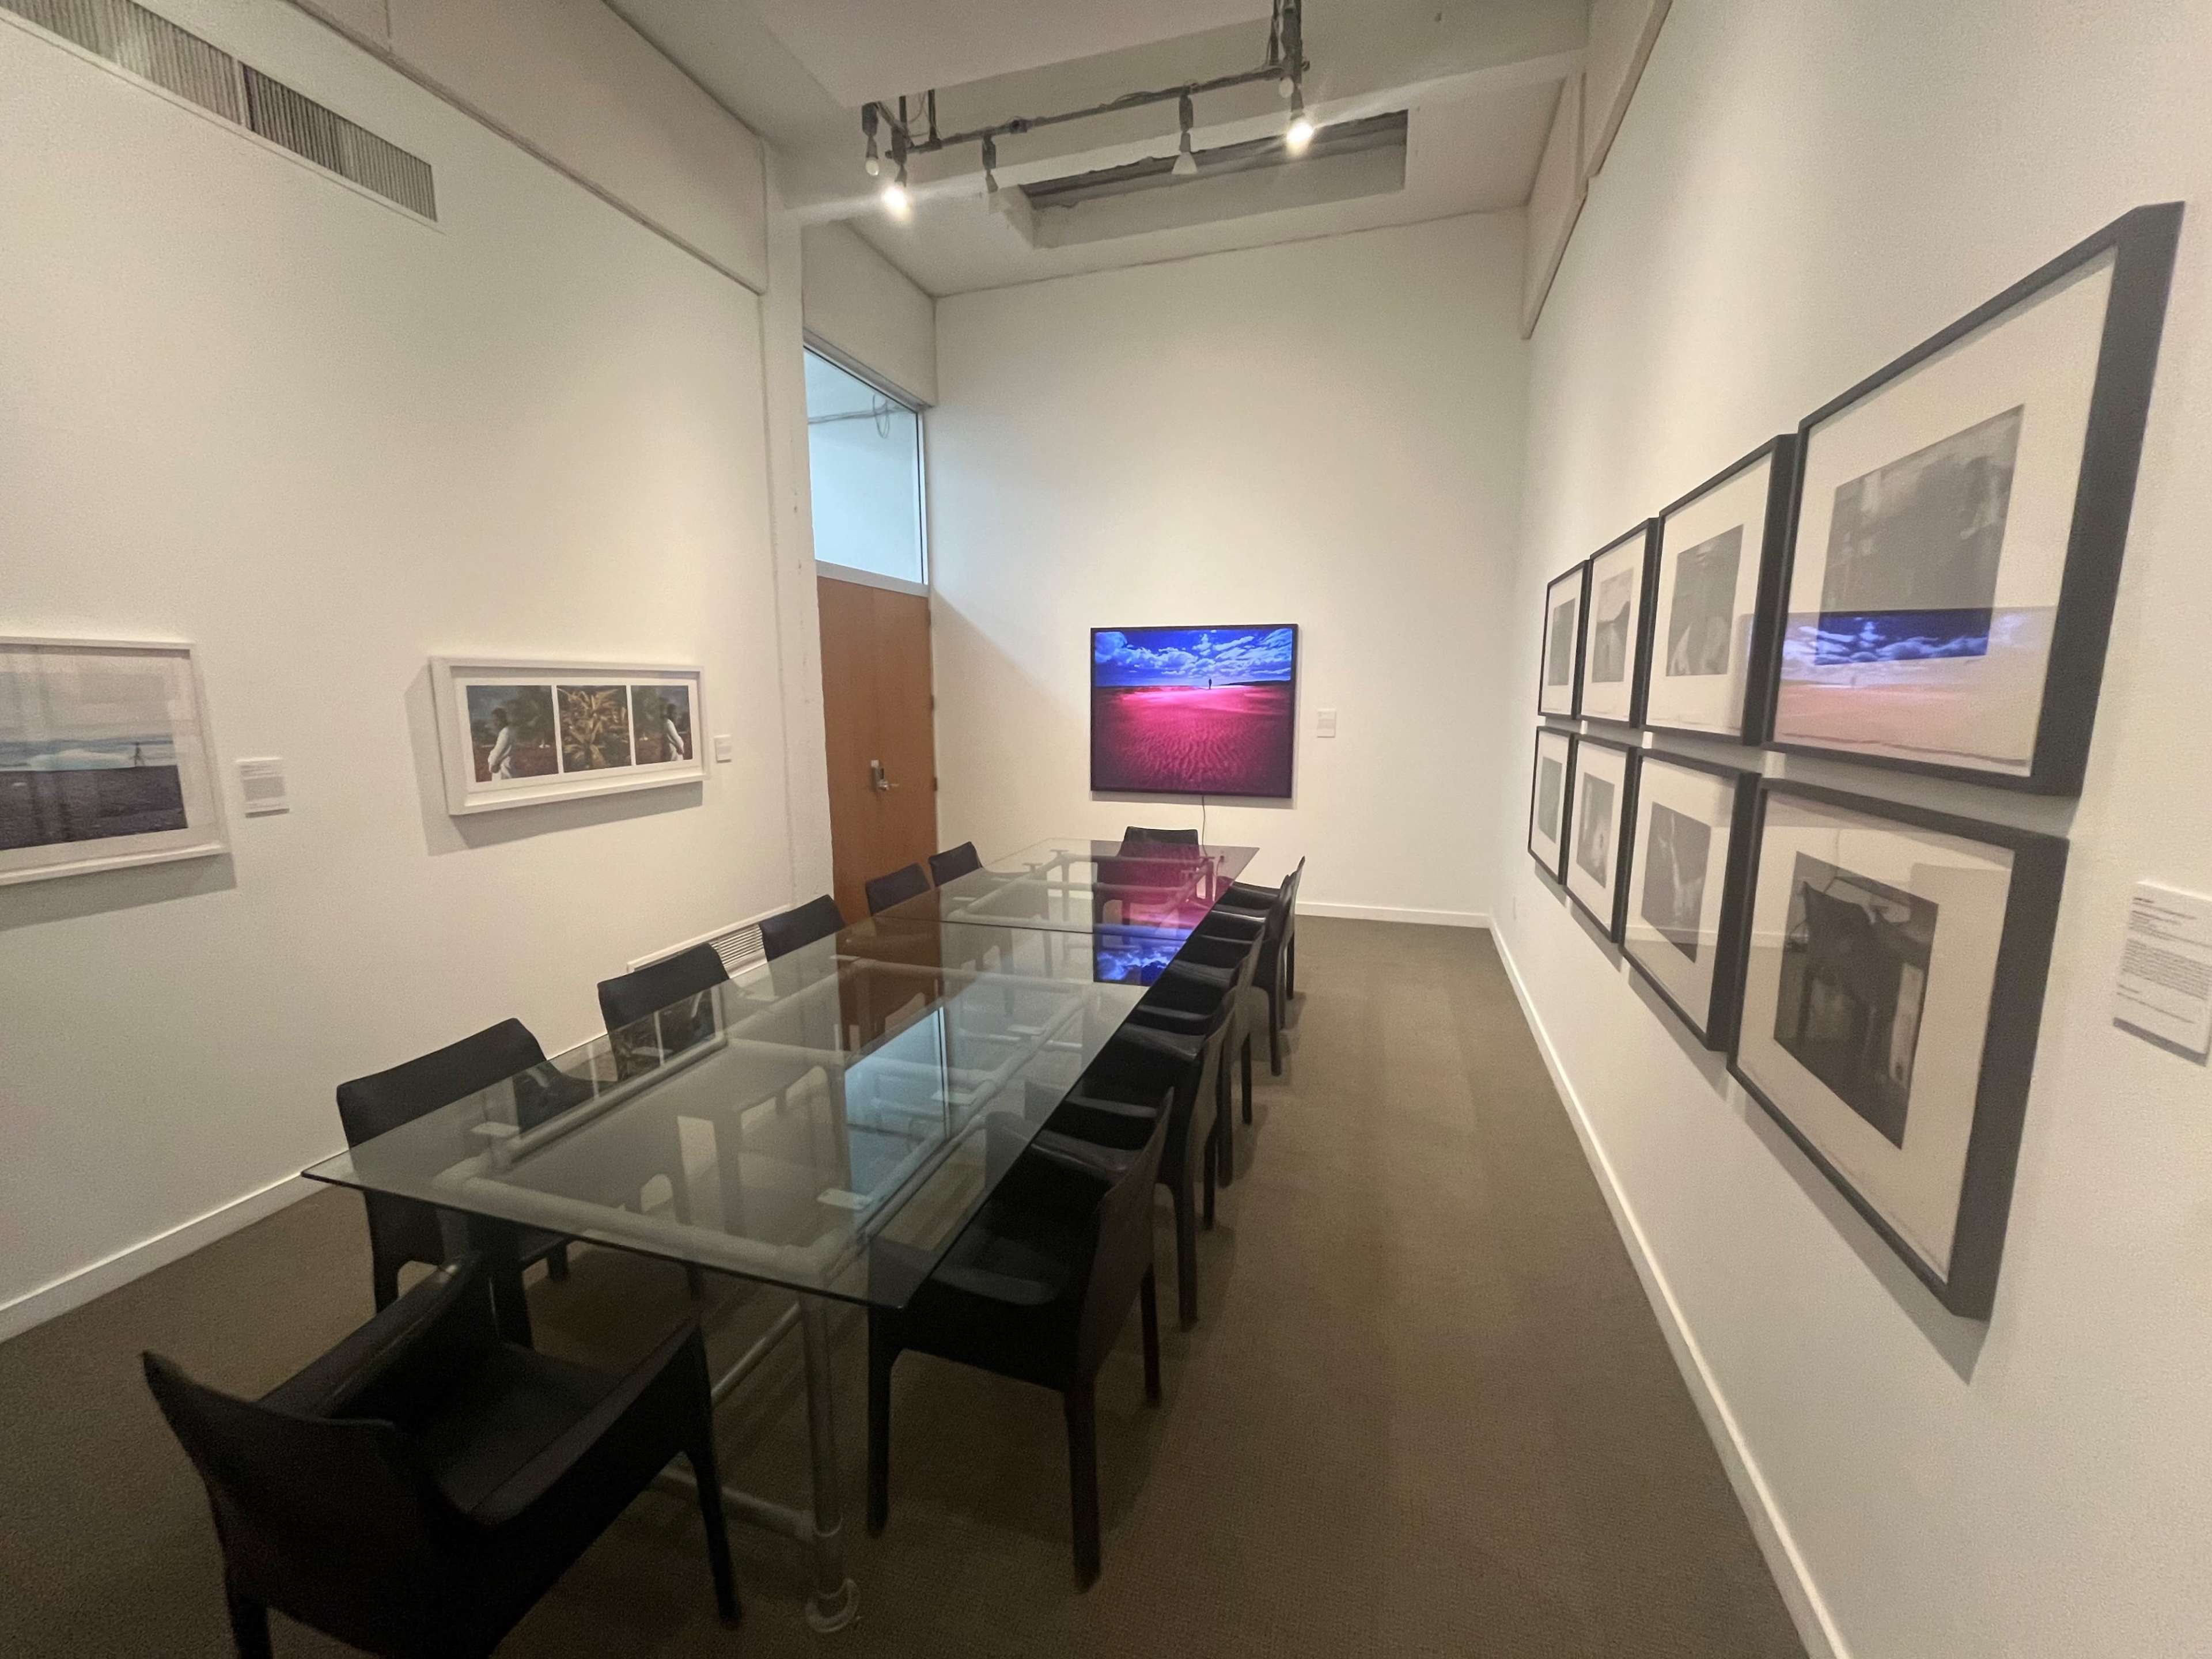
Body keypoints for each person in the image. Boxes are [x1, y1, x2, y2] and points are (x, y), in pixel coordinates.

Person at [486, 707, 515, 779]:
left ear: (503, 720)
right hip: (507, 769)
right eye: (493, 721)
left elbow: (497, 753)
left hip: (503, 772)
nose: (495, 723)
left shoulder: (505, 733)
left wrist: (491, 764)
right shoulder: (508, 731)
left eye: (497, 720)